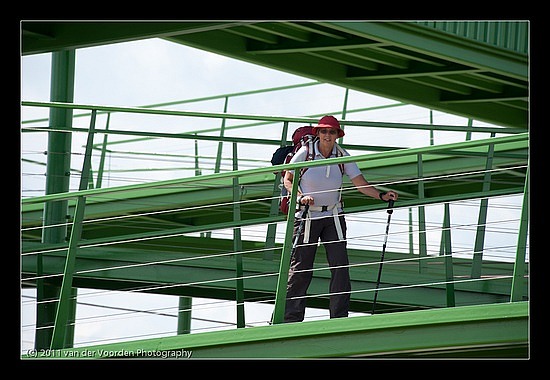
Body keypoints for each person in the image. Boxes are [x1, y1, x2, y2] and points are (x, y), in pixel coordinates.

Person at [283, 115, 398, 322]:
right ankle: (291, 318)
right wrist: (301, 197)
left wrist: (381, 195)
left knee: (340, 268)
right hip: (307, 216)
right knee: (301, 268)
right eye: (324, 131)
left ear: (338, 135)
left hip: (333, 216)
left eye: (332, 132)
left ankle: (339, 317)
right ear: (318, 133)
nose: (328, 135)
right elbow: (288, 180)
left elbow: (360, 183)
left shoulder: (342, 155)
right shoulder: (305, 153)